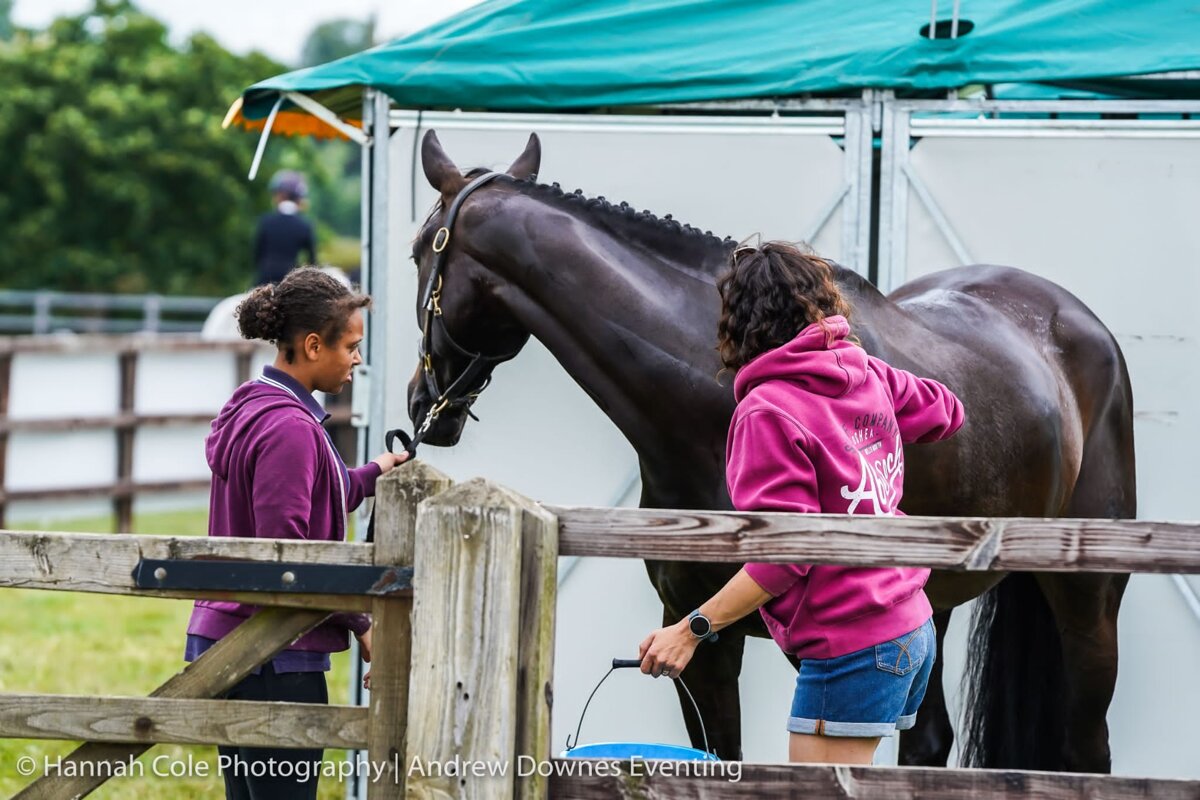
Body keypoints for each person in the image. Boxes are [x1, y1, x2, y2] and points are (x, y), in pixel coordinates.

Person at [637, 241, 964, 765]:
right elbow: (946, 411)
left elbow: (784, 556)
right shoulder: (865, 372)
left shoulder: (768, 410)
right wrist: (868, 420)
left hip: (855, 645)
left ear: (738, 322)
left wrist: (690, 628)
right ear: (821, 303)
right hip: (911, 627)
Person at [184, 267, 408, 799]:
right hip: (273, 651)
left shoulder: (256, 402)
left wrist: (375, 472)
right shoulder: (290, 428)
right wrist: (362, 622)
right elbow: (289, 553)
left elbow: (315, 499)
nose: (357, 359)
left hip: (233, 639)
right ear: (312, 345)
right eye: (351, 346)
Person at [254, 170, 317, 287]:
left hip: (264, 282)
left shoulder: (266, 222)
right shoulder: (305, 225)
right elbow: (312, 262)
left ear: (280, 195)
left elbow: (258, 256)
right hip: (290, 283)